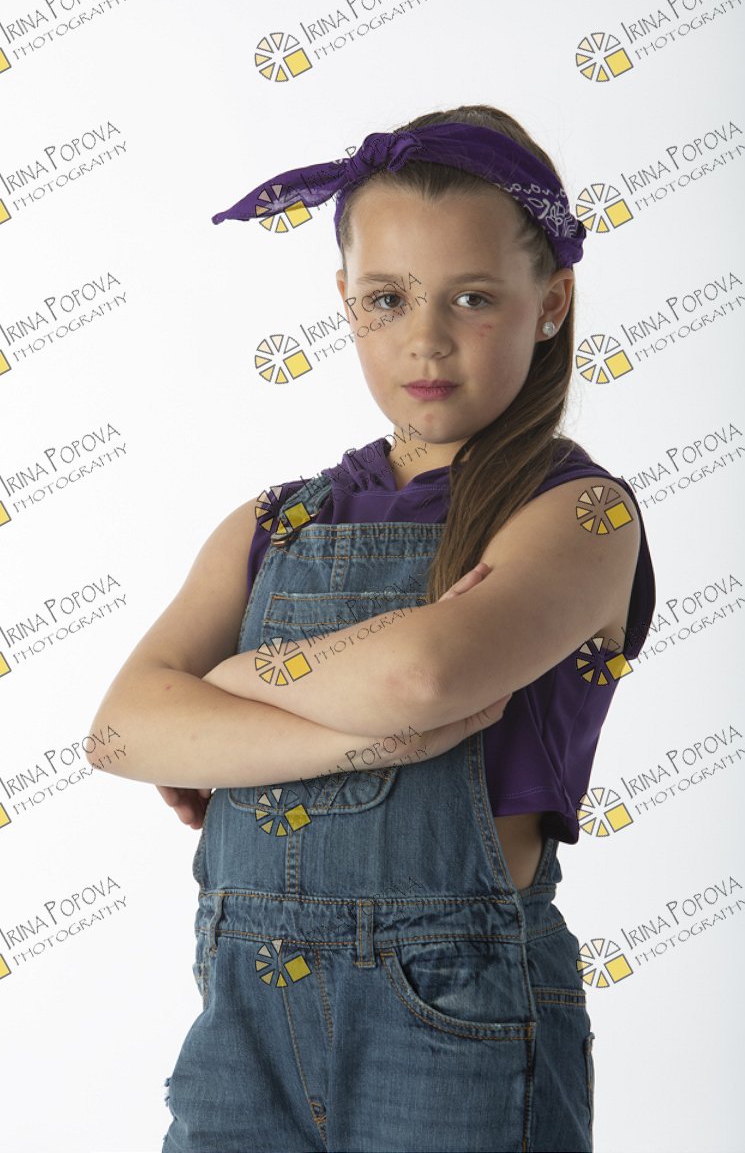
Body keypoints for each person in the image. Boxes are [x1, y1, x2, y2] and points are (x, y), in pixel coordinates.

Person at [87, 103, 656, 1152]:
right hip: (242, 1011)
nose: (424, 338)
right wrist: (352, 738)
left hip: (454, 1011)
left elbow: (420, 678)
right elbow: (121, 730)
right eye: (387, 299)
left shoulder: (579, 515)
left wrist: (224, 691)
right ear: (344, 302)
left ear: (550, 302)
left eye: (472, 297)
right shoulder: (272, 523)